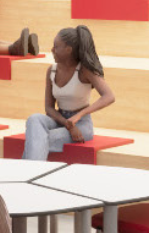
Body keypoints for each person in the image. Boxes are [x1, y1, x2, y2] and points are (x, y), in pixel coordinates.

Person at [21, 26, 116, 161]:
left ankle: (28, 171)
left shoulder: (84, 71)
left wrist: (78, 116)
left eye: (56, 46)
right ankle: (31, 171)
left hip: (82, 124)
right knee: (34, 119)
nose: (52, 50)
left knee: (40, 138)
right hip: (59, 119)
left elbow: (109, 96)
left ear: (68, 50)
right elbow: (48, 108)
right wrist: (67, 124)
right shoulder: (51, 71)